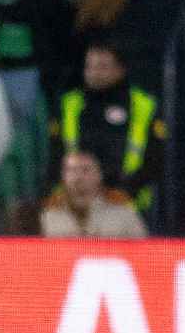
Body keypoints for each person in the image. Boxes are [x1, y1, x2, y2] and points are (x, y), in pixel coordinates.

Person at [52, 42, 165, 214]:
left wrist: (128, 189)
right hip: (75, 204)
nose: (94, 73)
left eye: (103, 67)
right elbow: (55, 155)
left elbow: (156, 157)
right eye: (89, 67)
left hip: (128, 203)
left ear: (120, 70)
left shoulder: (143, 105)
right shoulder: (69, 104)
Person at [40, 149, 147, 239]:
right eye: (71, 170)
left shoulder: (122, 212)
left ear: (99, 175)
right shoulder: (50, 213)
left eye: (85, 170)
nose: (78, 177)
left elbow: (142, 251)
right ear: (63, 175)